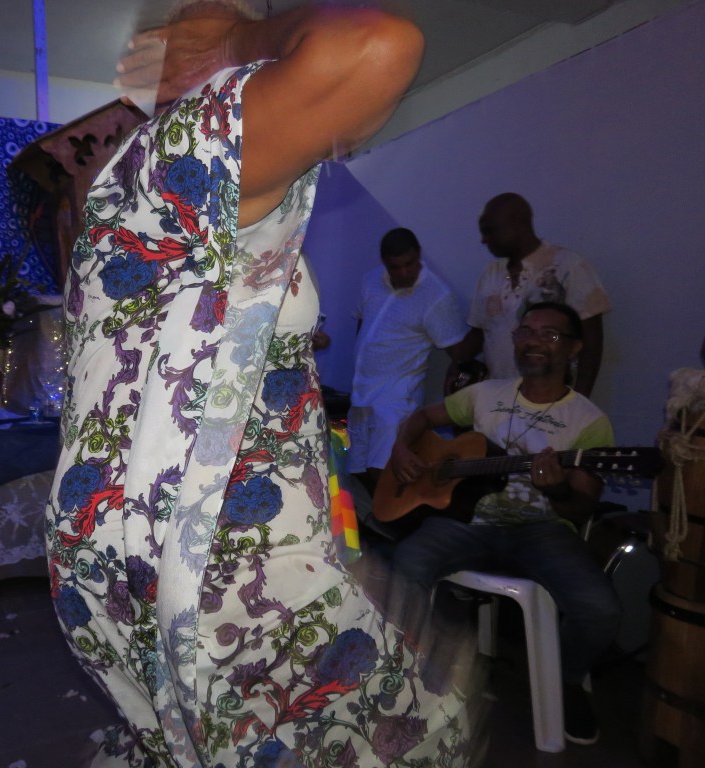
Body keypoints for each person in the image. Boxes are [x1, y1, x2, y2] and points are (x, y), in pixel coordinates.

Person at [46, 3, 470, 766]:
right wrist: (236, 42)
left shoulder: (146, 192)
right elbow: (374, 48)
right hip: (208, 550)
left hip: (157, 536)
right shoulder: (184, 154)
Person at [388, 301, 622, 746]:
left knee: (601, 609)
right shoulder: (485, 394)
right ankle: (416, 676)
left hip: (543, 531)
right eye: (525, 331)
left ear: (574, 349)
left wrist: (557, 489)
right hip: (468, 521)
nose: (534, 341)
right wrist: (401, 447)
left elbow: (581, 509)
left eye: (550, 334)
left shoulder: (589, 421)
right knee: (405, 564)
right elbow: (422, 418)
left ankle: (565, 680)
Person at [347, 227, 477, 494]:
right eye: (396, 267)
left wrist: (483, 328)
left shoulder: (436, 296)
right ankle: (374, 518)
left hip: (397, 399)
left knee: (384, 473)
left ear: (419, 254)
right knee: (357, 470)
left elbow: (459, 353)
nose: (405, 273)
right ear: (384, 262)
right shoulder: (371, 280)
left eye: (410, 264)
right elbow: (363, 325)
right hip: (362, 394)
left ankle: (394, 520)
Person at [466, 193, 610, 396]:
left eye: (489, 230)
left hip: (551, 400)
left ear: (517, 223)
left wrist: (578, 402)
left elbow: (591, 346)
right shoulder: (491, 273)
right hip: (498, 399)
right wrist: (457, 361)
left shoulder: (570, 267)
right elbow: (480, 334)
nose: (483, 240)